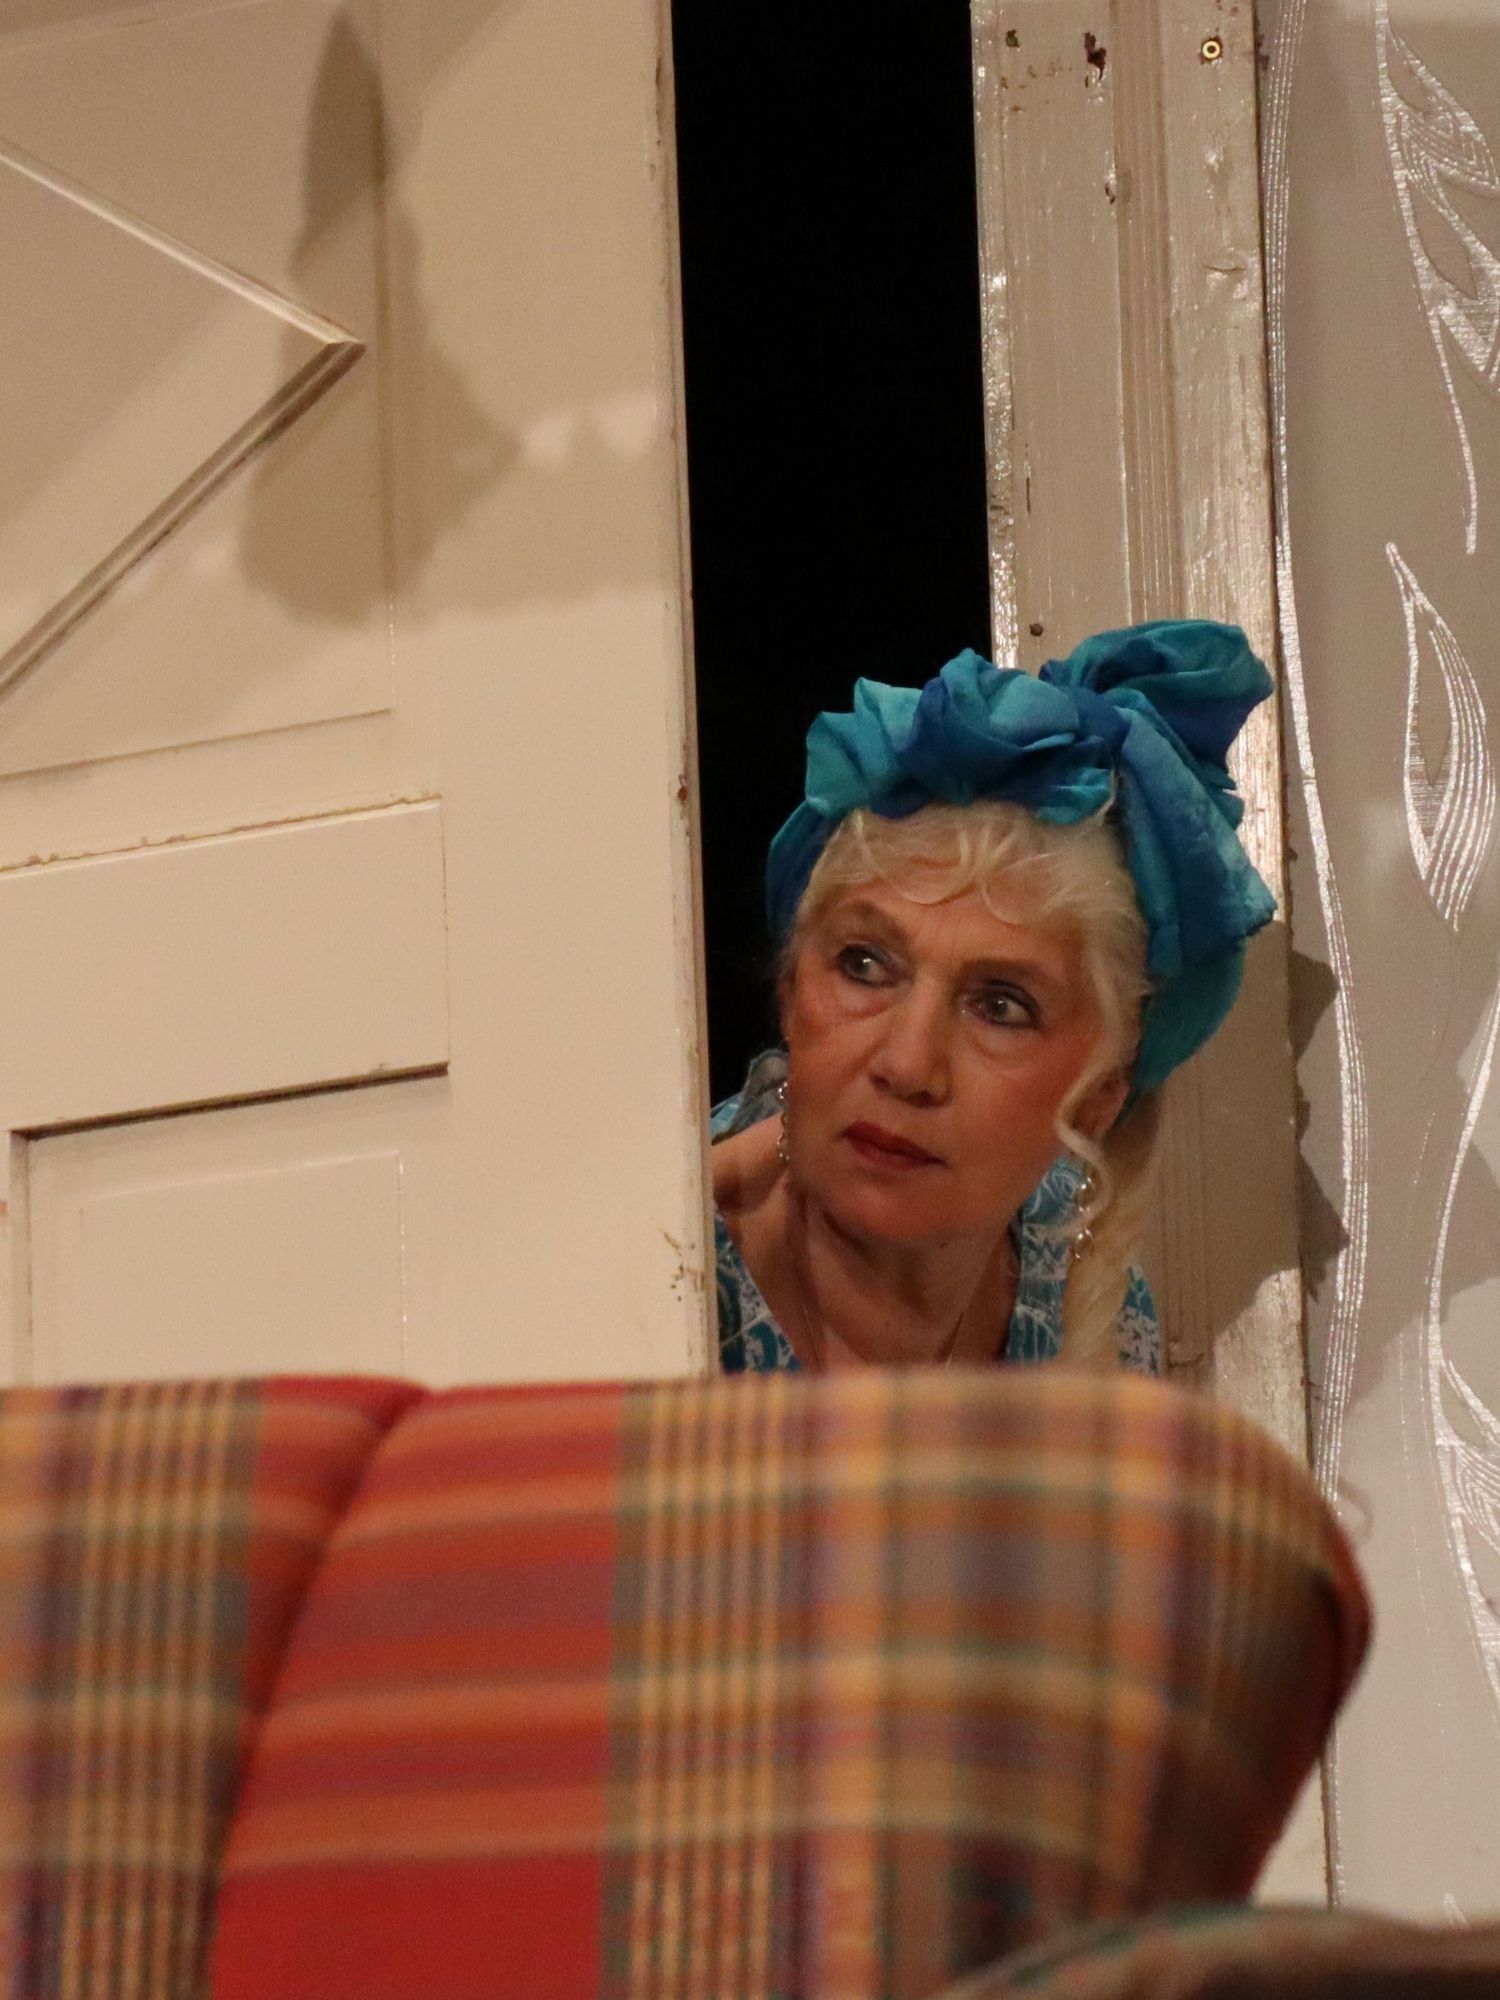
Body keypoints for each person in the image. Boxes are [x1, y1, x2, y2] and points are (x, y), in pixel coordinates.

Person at [710, 619, 1277, 1375]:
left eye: (1001, 1006)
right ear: (789, 995)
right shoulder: (655, 1272)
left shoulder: (1082, 1303)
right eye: (865, 966)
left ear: (1095, 1101)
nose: (908, 1065)